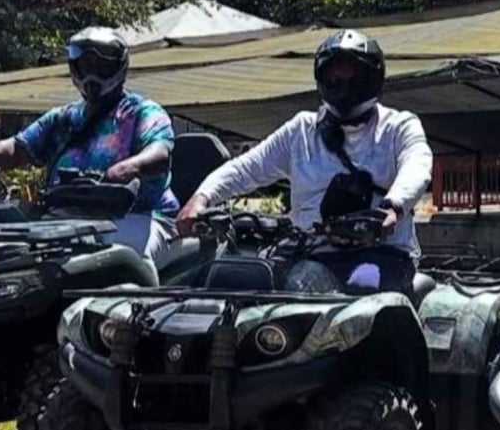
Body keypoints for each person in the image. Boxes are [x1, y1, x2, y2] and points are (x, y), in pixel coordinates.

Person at [175, 29, 433, 294]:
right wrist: (201, 198)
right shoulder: (301, 131)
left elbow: (418, 165)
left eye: (354, 78)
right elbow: (247, 168)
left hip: (383, 254)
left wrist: (393, 208)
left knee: (363, 286)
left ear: (373, 80)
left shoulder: (399, 126)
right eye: (335, 79)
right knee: (228, 280)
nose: (344, 86)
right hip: (310, 254)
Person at [0, 27, 180, 271]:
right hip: (67, 220)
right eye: (84, 65)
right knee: (5, 252)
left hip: (139, 217)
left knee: (114, 256)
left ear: (118, 66)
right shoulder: (63, 118)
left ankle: (133, 305)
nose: (92, 73)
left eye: (99, 64)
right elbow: (17, 148)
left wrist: (128, 168)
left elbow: (159, 152)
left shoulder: (143, 111)